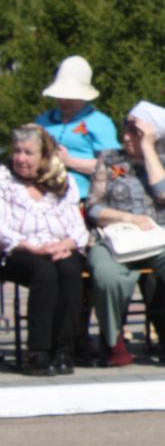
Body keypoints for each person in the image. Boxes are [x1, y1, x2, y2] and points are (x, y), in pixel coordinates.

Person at [85, 101, 165, 370]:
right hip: (117, 233)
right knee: (105, 272)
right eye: (126, 129)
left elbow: (164, 194)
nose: (126, 137)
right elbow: (94, 206)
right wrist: (128, 218)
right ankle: (114, 342)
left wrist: (148, 149)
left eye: (135, 132)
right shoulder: (109, 160)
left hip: (159, 236)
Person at [0, 124, 89, 376]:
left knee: (70, 269)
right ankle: (38, 351)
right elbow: (2, 227)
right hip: (17, 249)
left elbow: (78, 227)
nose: (20, 158)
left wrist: (67, 244)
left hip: (58, 247)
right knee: (44, 273)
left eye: (28, 153)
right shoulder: (4, 180)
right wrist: (30, 246)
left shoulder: (62, 182)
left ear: (44, 156)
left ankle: (64, 349)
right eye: (17, 151)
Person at [36, 56, 119, 200]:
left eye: (69, 96)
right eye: (60, 95)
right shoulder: (43, 121)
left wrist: (70, 161)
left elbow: (116, 168)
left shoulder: (100, 123)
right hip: (42, 195)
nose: (63, 101)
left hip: (84, 198)